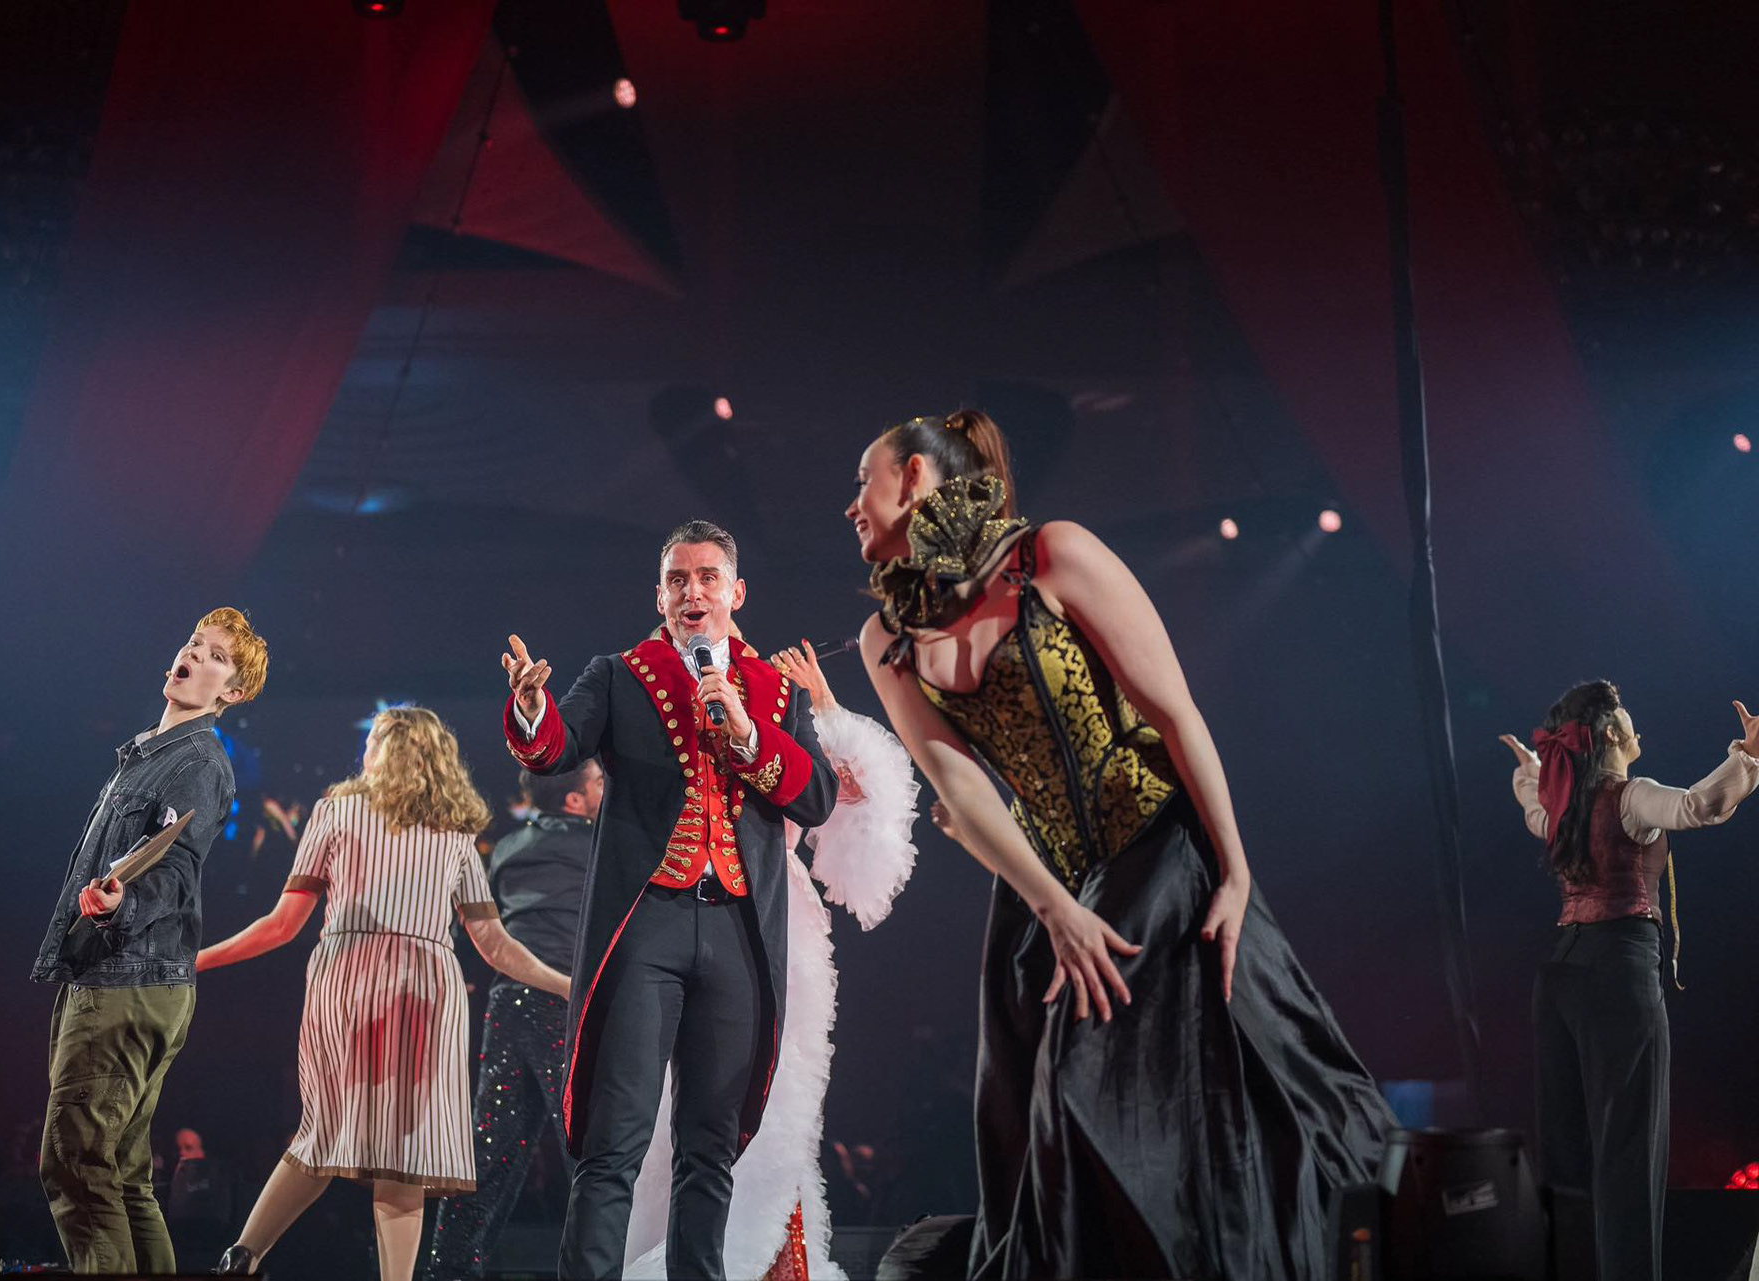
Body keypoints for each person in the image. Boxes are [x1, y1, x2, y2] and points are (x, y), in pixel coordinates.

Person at [848, 412, 1394, 1279]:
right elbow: (961, 790)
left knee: (1098, 1088)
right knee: (1041, 1124)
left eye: (864, 481)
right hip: (1041, 890)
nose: (852, 506)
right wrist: (1053, 908)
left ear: (913, 477)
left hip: (1153, 850)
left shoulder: (1051, 555)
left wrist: (1234, 870)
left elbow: (1176, 714)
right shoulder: (888, 638)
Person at [501, 519, 838, 1280]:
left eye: (708, 577)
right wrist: (530, 708)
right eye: (678, 579)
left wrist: (748, 734)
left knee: (710, 1148)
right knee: (614, 1141)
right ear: (659, 595)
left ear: (736, 592)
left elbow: (815, 797)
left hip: (738, 930)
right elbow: (557, 746)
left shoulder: (776, 691)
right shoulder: (620, 674)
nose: (693, 592)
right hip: (646, 923)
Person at [196, 706, 571, 1280]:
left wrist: (198, 959)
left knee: (323, 1130)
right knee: (406, 1151)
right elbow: (495, 946)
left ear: (383, 752)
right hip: (426, 991)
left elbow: (282, 926)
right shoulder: (455, 835)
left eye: (372, 741)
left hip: (345, 979)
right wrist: (568, 984)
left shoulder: (335, 812)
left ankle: (242, 1256)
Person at [622, 637, 920, 1279]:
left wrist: (822, 704)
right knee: (673, 1104)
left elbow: (859, 801)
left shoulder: (783, 716)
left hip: (775, 913)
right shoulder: (669, 706)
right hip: (679, 909)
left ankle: (761, 1260)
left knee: (768, 1092)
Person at [30, 607, 268, 1273]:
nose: (195, 655)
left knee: (78, 1165)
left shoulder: (197, 762)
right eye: (195, 642)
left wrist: (122, 903)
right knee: (122, 1174)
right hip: (131, 979)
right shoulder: (150, 756)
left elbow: (176, 871)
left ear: (232, 692)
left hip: (126, 982)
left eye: (217, 656)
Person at [1501, 683, 1759, 1280]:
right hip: (1615, 971)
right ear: (1614, 733)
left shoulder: (1564, 808)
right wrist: (1749, 756)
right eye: (1625, 715)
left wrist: (1533, 772)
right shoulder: (1630, 796)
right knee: (1629, 1155)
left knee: (1569, 1157)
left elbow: (1534, 811)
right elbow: (1697, 806)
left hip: (1559, 978)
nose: (1634, 722)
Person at [424, 760, 604, 1280]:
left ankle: (449, 1270)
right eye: (598, 782)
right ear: (574, 801)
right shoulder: (599, 845)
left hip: (508, 1003)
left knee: (491, 1153)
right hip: (566, 1001)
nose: (606, 787)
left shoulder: (506, 848)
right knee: (591, 1152)